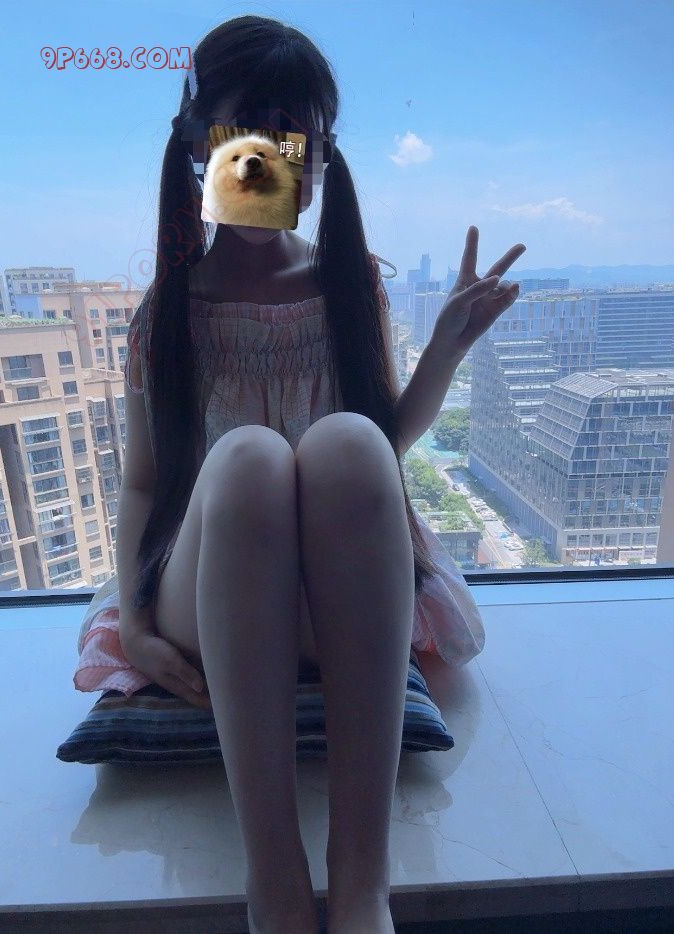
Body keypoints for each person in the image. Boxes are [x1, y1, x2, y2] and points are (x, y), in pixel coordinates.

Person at [74, 14, 525, 934]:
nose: (267, 160)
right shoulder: (169, 309)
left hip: (331, 603)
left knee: (350, 442)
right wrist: (135, 624)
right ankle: (273, 877)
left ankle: (362, 878)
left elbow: (378, 456)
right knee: (247, 461)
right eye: (244, 131)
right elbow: (145, 483)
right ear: (200, 148)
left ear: (318, 161)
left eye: (295, 138)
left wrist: (444, 347)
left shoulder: (346, 284)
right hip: (214, 602)